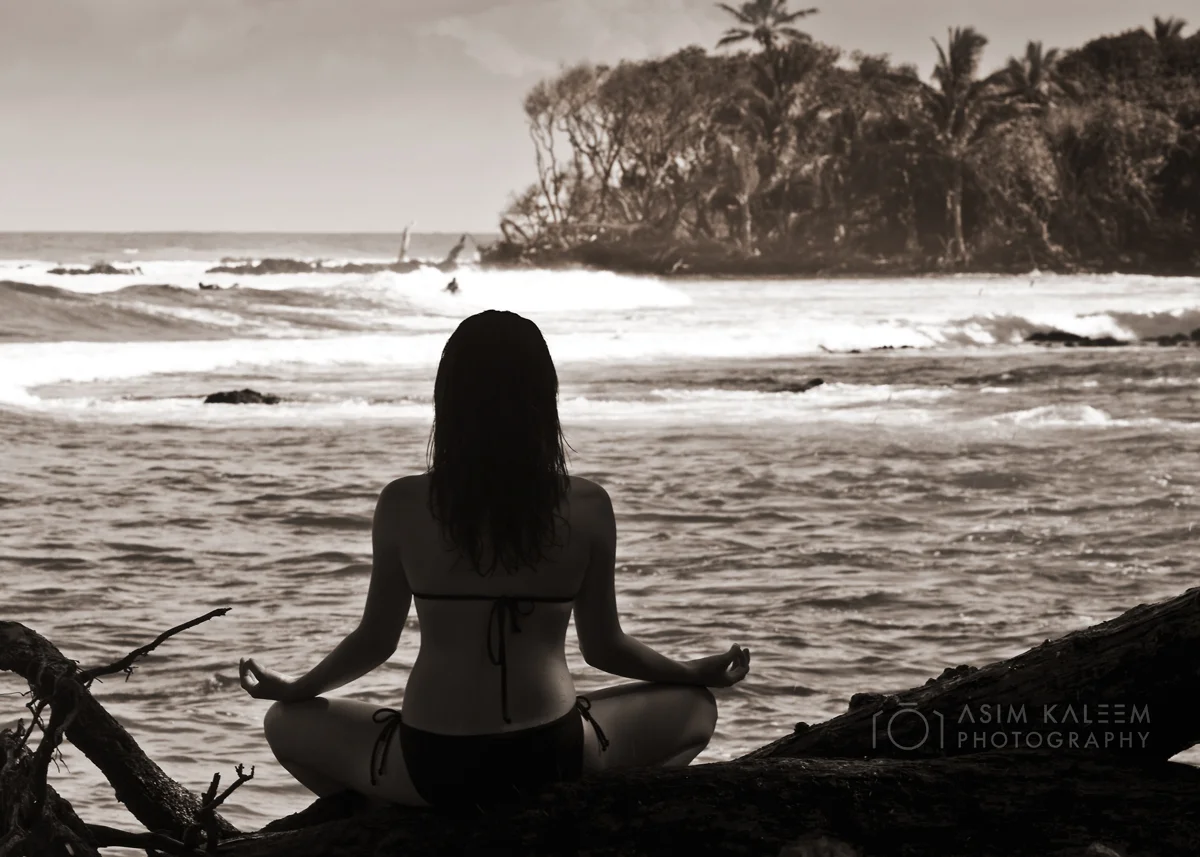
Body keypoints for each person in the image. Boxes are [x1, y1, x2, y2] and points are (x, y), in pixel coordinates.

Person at [239, 310, 751, 808]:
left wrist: (299, 687)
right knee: (695, 707)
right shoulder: (588, 505)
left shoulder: (402, 503)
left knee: (284, 721)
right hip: (550, 757)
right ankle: (595, 813)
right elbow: (603, 648)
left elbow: (375, 641)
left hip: (433, 764)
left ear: (449, 399)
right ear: (543, 399)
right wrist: (690, 672)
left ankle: (391, 821)